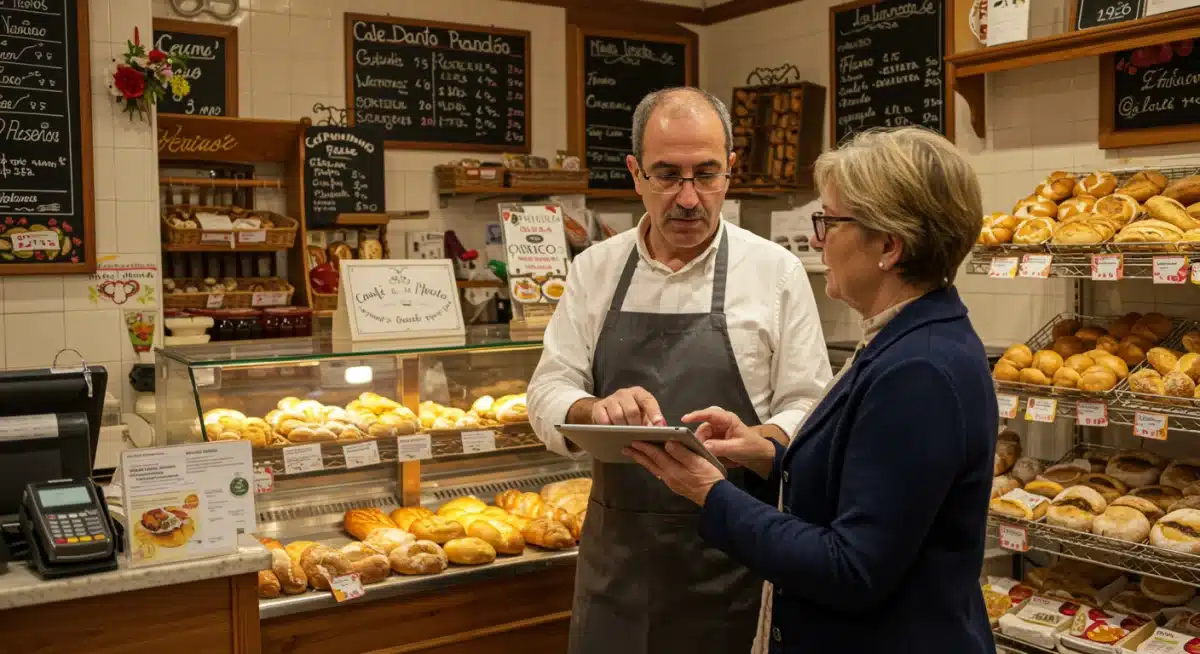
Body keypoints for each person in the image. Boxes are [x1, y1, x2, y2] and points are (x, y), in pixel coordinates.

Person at [627, 126, 998, 653]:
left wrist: (709, 493)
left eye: (829, 221)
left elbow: (851, 568)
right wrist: (767, 458)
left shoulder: (921, 370)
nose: (818, 240)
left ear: (889, 246)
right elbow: (864, 488)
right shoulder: (905, 340)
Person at [525, 87, 832, 654]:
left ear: (730, 171)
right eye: (667, 175)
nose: (688, 198)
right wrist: (592, 409)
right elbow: (547, 388)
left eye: (706, 175)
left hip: (735, 559)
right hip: (618, 569)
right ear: (635, 174)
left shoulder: (776, 272)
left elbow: (810, 402)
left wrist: (762, 439)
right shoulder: (595, 269)